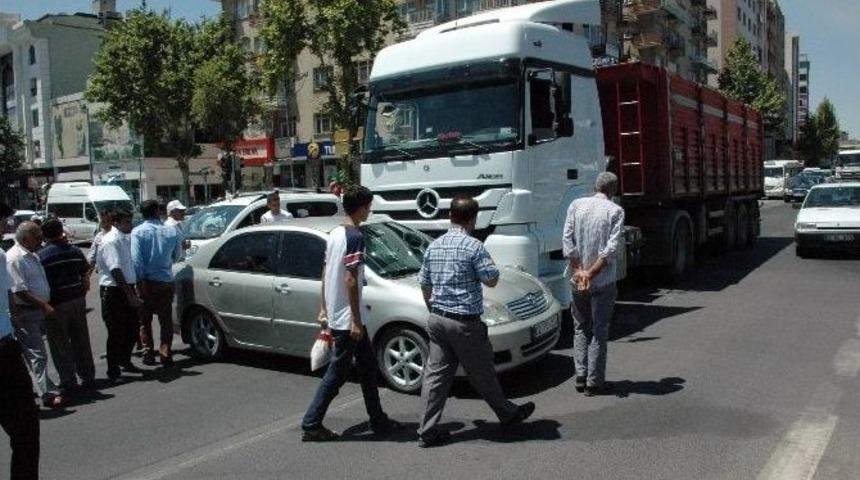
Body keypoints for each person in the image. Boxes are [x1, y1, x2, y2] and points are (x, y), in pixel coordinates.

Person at [416, 196, 535, 448]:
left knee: (435, 377)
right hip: (464, 322)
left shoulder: (433, 246)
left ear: (450, 216)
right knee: (483, 373)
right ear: (473, 218)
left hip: (438, 318)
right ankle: (508, 413)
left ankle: (426, 430)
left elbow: (425, 284)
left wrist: (433, 309)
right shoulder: (474, 247)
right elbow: (491, 280)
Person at [301, 185, 403, 442]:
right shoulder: (354, 236)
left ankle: (377, 419)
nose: (370, 211)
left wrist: (324, 307)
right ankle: (311, 423)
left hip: (341, 313)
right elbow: (349, 280)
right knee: (336, 374)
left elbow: (325, 272)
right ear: (360, 208)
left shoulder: (335, 233)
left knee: (368, 369)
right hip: (349, 319)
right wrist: (355, 321)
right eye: (368, 206)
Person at [562, 172, 625, 397]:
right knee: (599, 330)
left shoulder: (576, 205)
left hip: (577, 279)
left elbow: (568, 241)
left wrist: (580, 271)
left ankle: (580, 376)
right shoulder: (615, 211)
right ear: (613, 190)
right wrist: (591, 272)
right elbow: (610, 249)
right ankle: (594, 382)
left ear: (594, 186)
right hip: (603, 280)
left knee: (580, 326)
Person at [0, 203, 40, 480]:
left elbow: (8, 299)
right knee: (25, 432)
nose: (6, 225)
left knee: (25, 431)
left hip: (5, 347)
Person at [7, 221, 64, 408]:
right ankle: (47, 393)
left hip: (37, 310)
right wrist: (43, 305)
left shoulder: (31, 255)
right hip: (26, 312)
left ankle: (40, 386)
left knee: (36, 353)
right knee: (36, 354)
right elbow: (18, 291)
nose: (40, 239)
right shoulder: (15, 258)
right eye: (36, 236)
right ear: (25, 238)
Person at [38, 219, 96, 391]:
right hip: (77, 301)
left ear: (44, 235)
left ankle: (68, 379)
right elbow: (85, 273)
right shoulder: (75, 251)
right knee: (81, 340)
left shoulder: (42, 256)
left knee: (59, 343)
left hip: (56, 304)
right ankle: (87, 374)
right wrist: (82, 291)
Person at [131, 200, 182, 367]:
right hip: (165, 279)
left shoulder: (137, 232)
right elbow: (177, 256)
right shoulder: (171, 231)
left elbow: (136, 261)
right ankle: (165, 351)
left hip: (146, 281)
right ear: (157, 212)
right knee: (165, 319)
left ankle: (148, 353)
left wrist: (139, 282)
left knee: (144, 320)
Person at [97, 209, 143, 382]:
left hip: (126, 287)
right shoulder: (111, 240)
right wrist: (130, 294)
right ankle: (113, 370)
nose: (130, 225)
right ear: (116, 223)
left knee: (131, 329)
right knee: (116, 332)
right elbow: (115, 269)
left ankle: (125, 360)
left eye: (130, 222)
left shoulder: (125, 238)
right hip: (115, 290)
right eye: (126, 222)